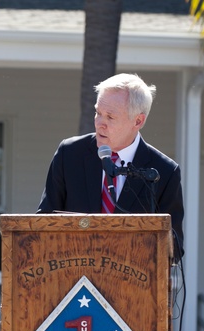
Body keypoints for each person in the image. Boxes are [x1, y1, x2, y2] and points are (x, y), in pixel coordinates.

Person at [37, 73, 184, 260]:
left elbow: (174, 250)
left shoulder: (163, 172)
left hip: (131, 285)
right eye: (98, 112)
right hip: (72, 281)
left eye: (110, 117)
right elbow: (42, 223)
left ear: (138, 121)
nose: (99, 123)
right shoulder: (70, 154)